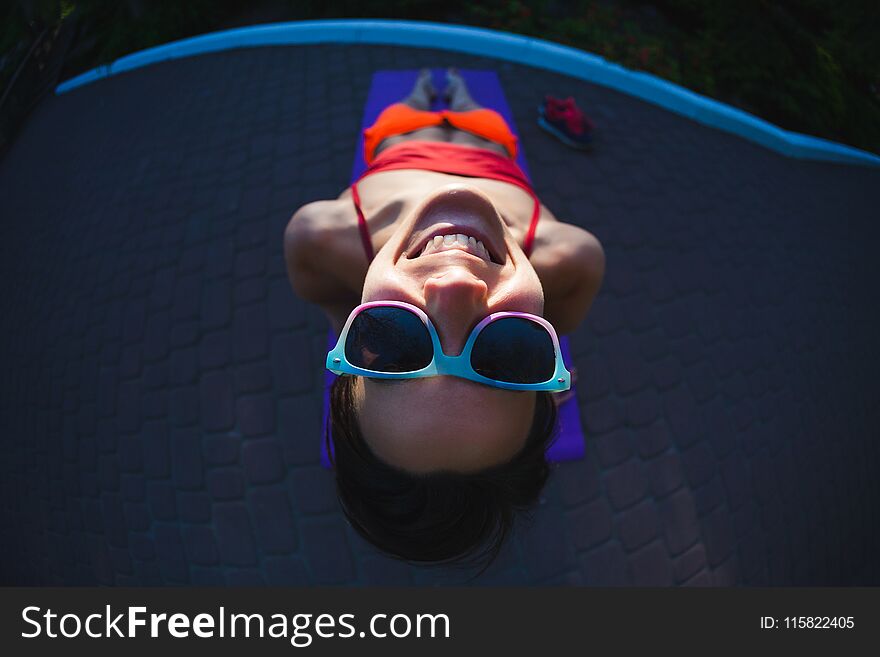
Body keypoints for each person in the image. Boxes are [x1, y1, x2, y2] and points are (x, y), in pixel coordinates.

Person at [284, 68, 605, 566]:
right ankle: (457, 92)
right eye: (509, 351)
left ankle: (426, 94)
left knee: (411, 110)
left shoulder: (318, 237)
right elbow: (557, 325)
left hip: (402, 140)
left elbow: (335, 313)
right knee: (474, 112)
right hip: (489, 150)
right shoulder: (573, 257)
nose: (455, 286)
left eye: (391, 343)